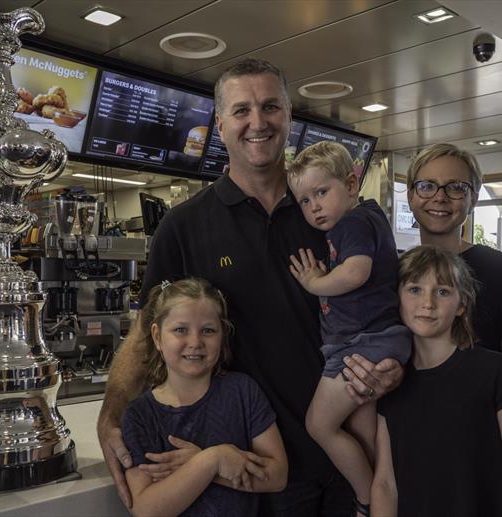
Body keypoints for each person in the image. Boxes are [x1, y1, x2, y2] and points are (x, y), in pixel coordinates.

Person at [97, 58, 403, 516]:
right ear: (219, 124)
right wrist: (111, 414)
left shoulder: (329, 215)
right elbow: (148, 333)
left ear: (289, 117)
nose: (257, 122)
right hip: (251, 470)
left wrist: (392, 367)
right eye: (241, 111)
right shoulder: (183, 227)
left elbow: (387, 304)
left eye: (270, 107)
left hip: (348, 454)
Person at [343, 142, 502, 516]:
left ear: (474, 197)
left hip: (485, 460)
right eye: (427, 185)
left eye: (456, 187)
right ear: (411, 194)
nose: (440, 197)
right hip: (411, 447)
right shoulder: (388, 272)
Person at [286, 141, 412, 516]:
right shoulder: (366, 218)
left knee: (319, 424)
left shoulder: (354, 222)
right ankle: (387, 495)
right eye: (305, 201)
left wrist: (314, 284)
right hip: (377, 339)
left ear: (352, 184)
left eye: (321, 192)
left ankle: (367, 499)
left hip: (359, 343)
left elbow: (357, 272)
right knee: (363, 430)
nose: (314, 207)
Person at [371, 245, 502, 516]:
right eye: (414, 289)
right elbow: (385, 484)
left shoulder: (499, 374)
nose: (427, 303)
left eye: (442, 291)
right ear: (397, 298)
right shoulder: (390, 382)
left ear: (462, 303)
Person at [121, 278, 288, 517]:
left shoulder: (242, 391)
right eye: (181, 330)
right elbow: (147, 510)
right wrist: (212, 460)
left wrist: (206, 465)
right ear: (157, 336)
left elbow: (277, 476)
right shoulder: (139, 416)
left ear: (222, 335)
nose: (195, 342)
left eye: (208, 331)